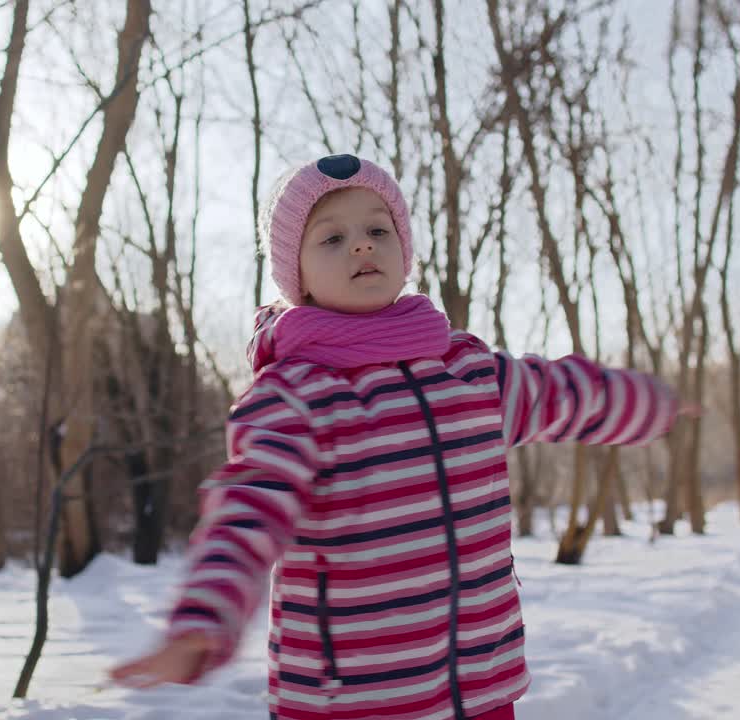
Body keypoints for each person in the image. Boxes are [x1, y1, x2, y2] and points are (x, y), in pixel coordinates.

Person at [110, 154, 685, 719]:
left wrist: (654, 405)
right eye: (331, 239)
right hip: (353, 700)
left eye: (377, 229)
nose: (362, 245)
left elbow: (559, 393)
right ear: (297, 277)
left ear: (403, 251)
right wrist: (202, 621)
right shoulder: (295, 396)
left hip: (481, 687)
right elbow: (248, 507)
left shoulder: (468, 371)